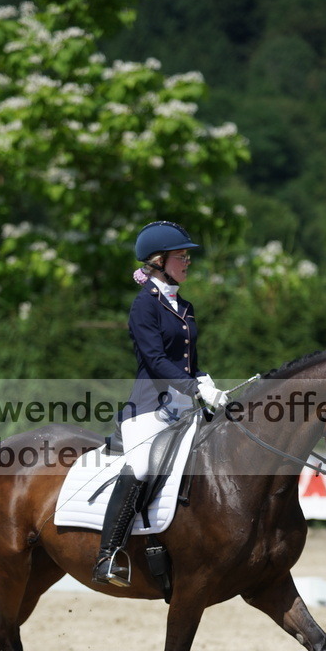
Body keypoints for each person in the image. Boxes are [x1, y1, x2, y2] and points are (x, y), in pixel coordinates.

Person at [92, 220, 226, 587]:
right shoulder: (144, 306)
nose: (187, 262)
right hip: (149, 407)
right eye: (181, 256)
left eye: (187, 256)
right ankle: (108, 556)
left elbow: (187, 360)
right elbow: (155, 360)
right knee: (141, 465)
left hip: (184, 406)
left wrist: (204, 381)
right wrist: (193, 387)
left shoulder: (185, 305)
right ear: (158, 261)